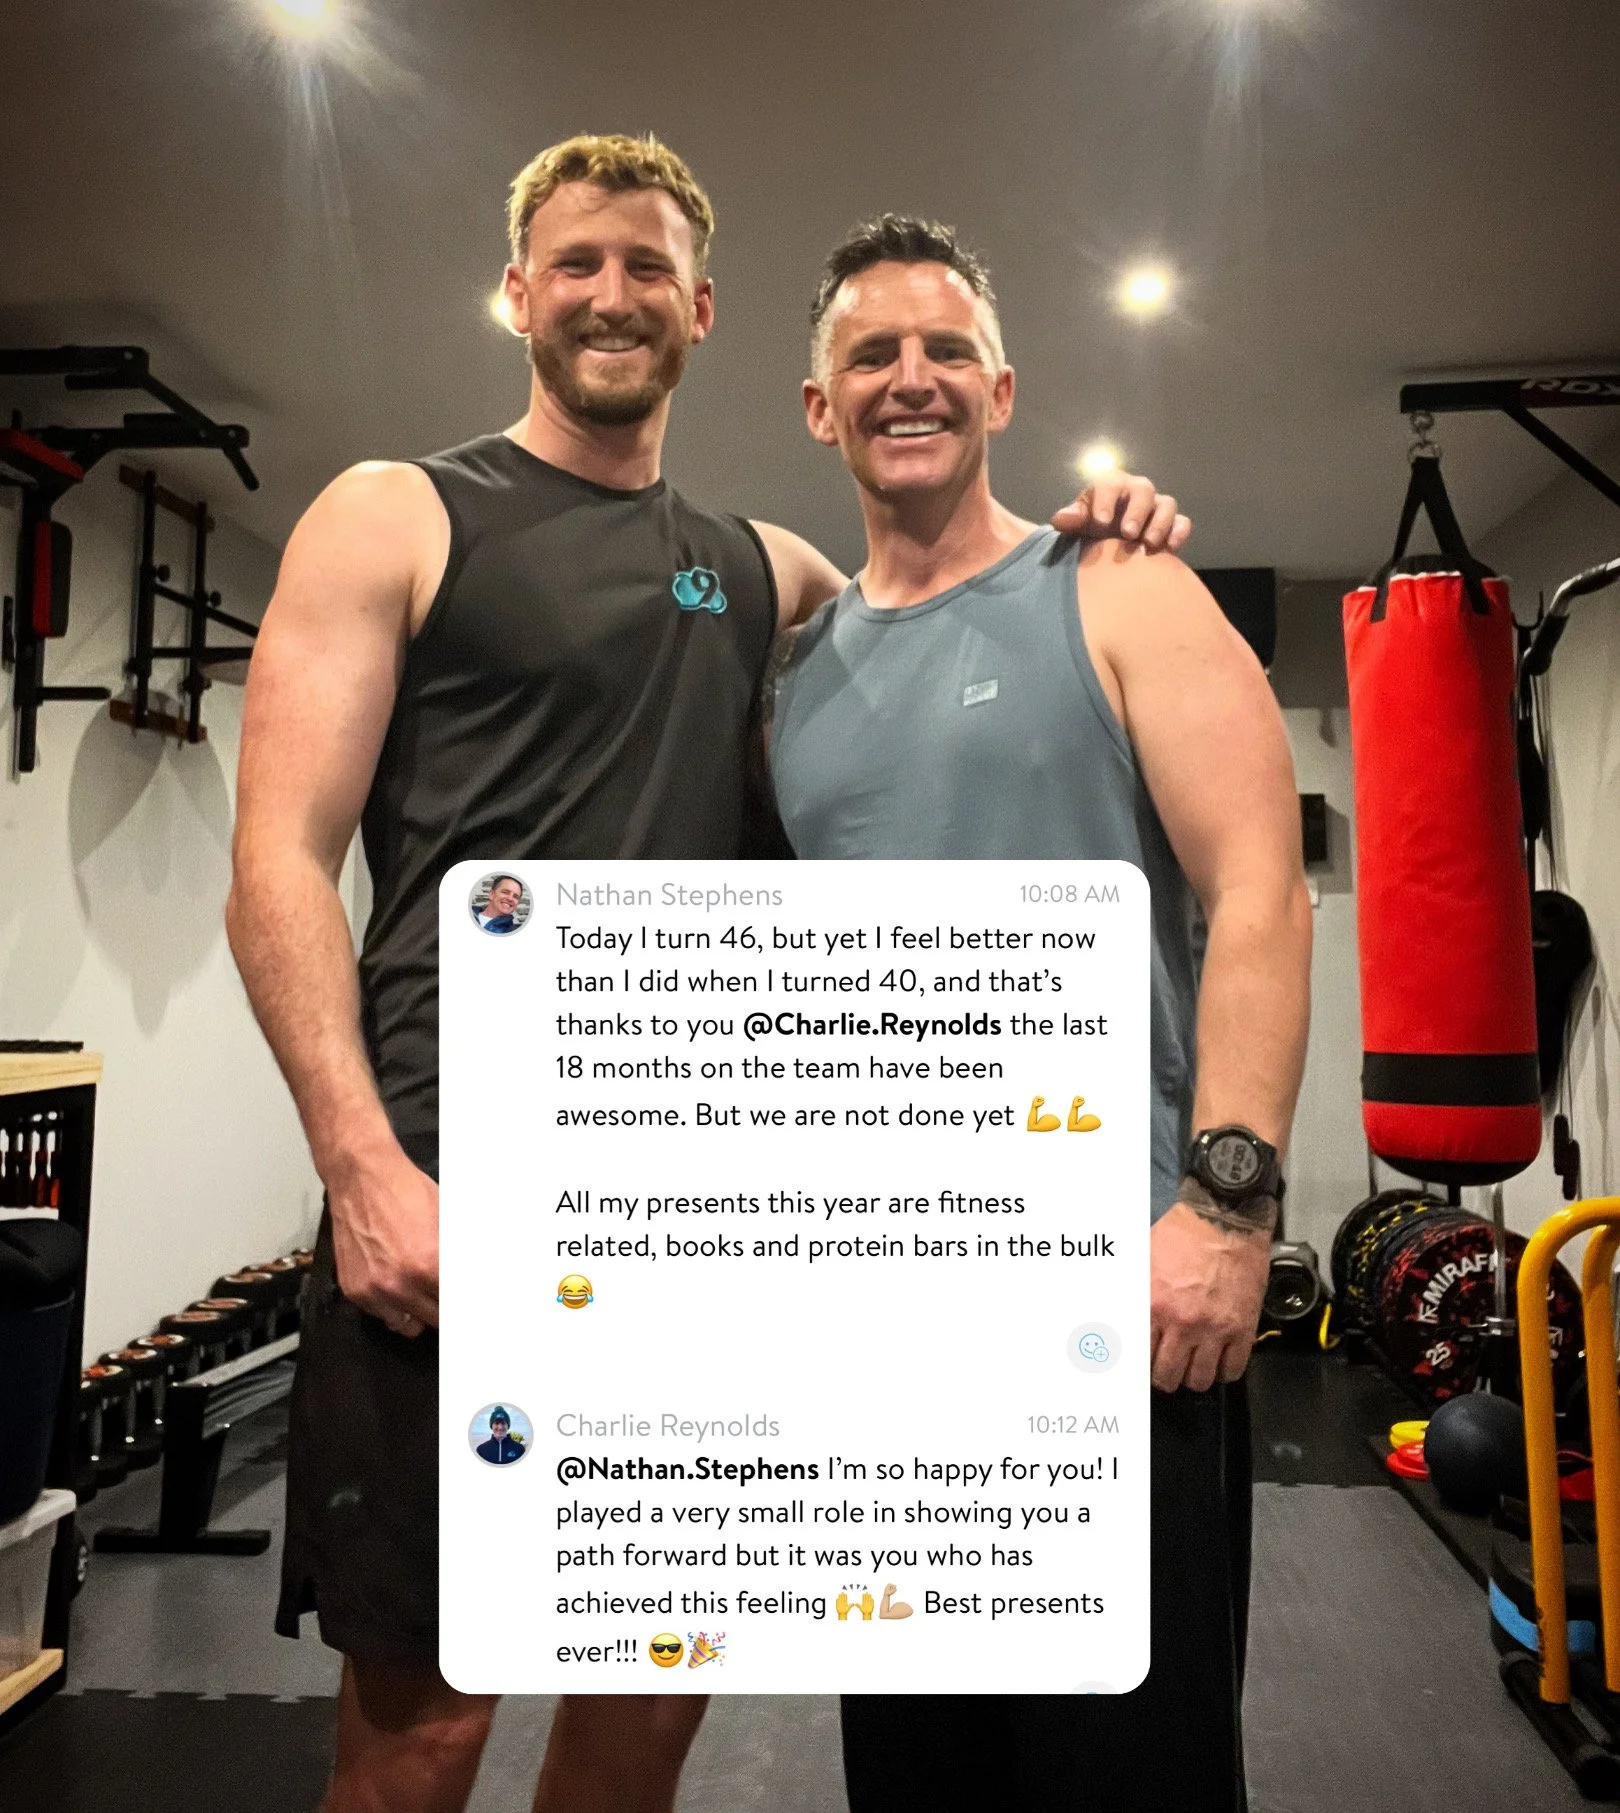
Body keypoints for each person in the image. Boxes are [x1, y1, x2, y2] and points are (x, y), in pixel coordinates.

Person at [227, 133, 1185, 1813]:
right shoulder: (400, 512)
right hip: (450, 1197)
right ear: (519, 292)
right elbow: (276, 868)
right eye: (578, 262)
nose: (612, 293)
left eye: (647, 266)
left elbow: (949, 587)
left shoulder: (761, 572)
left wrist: (1103, 530)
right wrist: (360, 1167)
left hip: (695, 1225)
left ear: (702, 307)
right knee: (429, 1720)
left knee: (648, 1699)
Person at [769, 215, 1312, 1813]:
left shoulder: (1123, 588)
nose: (909, 380)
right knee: (921, 1769)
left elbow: (1262, 899)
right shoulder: (792, 673)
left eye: (945, 352)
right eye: (871, 355)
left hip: (1116, 1299)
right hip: (884, 1318)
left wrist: (1227, 1211)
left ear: (1002, 390)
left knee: (1122, 1771)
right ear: (820, 406)